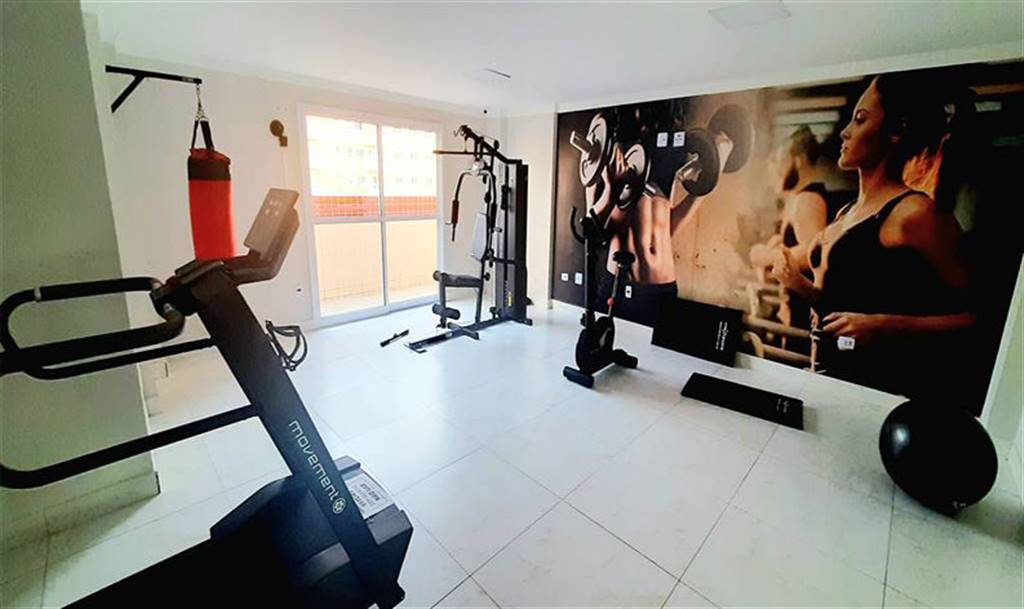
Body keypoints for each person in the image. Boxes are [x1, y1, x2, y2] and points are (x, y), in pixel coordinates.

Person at [771, 72, 976, 400]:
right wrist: (795, 281)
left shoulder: (914, 213)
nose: (845, 132)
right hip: (824, 381)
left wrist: (885, 325)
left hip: (874, 394)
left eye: (860, 120)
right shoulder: (845, 214)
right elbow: (839, 307)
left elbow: (976, 320)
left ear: (896, 130)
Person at [582, 105, 732, 324]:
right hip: (621, 284)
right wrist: (612, 190)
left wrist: (710, 178)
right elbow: (592, 232)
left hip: (664, 286)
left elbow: (666, 227)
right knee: (606, 337)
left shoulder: (668, 149)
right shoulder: (608, 147)